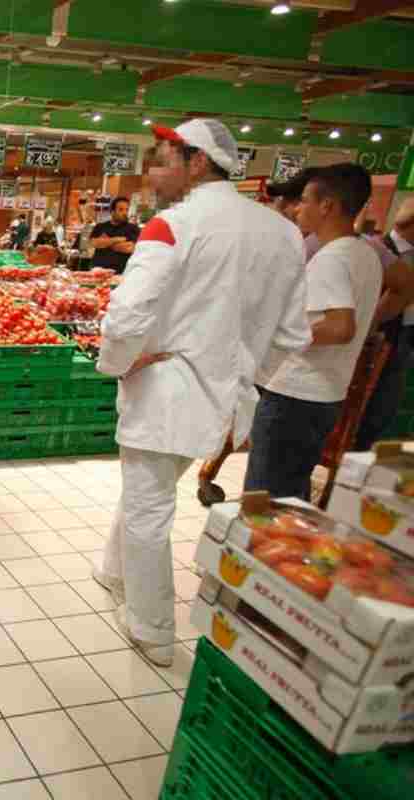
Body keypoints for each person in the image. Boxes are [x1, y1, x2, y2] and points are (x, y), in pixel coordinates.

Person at [94, 119, 310, 668]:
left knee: (149, 505)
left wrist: (117, 365)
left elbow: (125, 317)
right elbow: (292, 335)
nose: (153, 173)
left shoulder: (173, 225)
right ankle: (112, 570)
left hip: (165, 391)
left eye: (163, 160)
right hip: (227, 400)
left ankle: (154, 630)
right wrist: (245, 377)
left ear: (196, 161)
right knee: (153, 484)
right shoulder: (282, 232)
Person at [245, 164, 384, 499]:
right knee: (291, 488)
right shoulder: (365, 253)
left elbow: (340, 326)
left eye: (305, 200)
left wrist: (281, 333)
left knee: (267, 496)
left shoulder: (332, 258)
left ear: (327, 206)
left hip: (295, 395)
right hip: (324, 393)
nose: (296, 208)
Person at [356, 198, 414, 449]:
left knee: (384, 410)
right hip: (374, 342)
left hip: (404, 341)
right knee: (361, 411)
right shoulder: (377, 249)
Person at [89, 196, 140, 274]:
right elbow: (94, 243)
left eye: (127, 210)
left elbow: (129, 248)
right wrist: (117, 239)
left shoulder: (133, 228)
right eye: (121, 210)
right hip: (98, 270)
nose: (125, 213)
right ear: (112, 211)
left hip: (121, 272)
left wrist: (105, 242)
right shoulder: (100, 226)